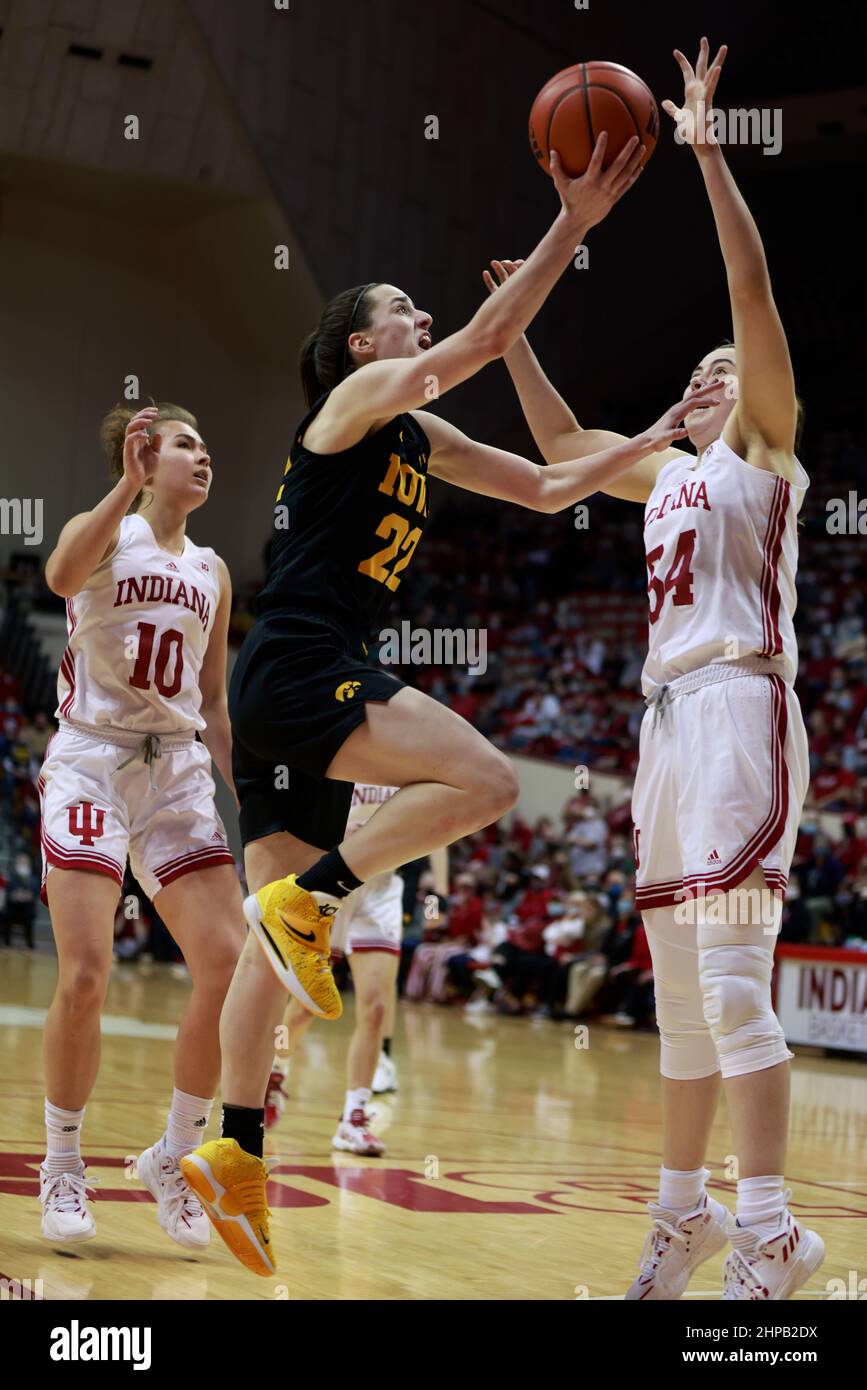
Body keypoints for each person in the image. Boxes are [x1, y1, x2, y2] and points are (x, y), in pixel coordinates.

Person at [180, 132, 722, 1277]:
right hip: (302, 661)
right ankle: (323, 897)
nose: (422, 320)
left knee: (265, 960)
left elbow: (540, 486)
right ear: (359, 342)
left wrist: (661, 437)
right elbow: (483, 338)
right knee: (478, 781)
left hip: (282, 684)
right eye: (403, 309)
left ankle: (231, 1149)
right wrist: (571, 224)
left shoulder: (420, 434)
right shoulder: (358, 400)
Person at [490, 38, 825, 1301]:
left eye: (719, 371)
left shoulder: (767, 457)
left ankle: (776, 1230)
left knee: (737, 986)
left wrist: (705, 151)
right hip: (666, 733)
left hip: (742, 708)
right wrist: (514, 338)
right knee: (680, 1000)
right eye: (693, 374)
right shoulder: (667, 473)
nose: (705, 376)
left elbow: (749, 286)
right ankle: (683, 1217)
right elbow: (567, 446)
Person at [38, 403, 245, 1250]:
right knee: (87, 973)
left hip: (176, 767)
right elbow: (56, 577)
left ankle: (175, 1154)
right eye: (187, 445)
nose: (203, 458)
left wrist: (250, 802)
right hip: (91, 756)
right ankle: (61, 1166)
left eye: (206, 445)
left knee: (227, 965)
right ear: (145, 456)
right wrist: (121, 485)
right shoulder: (107, 534)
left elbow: (217, 699)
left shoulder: (213, 568)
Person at [264, 784, 449, 1154]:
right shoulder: (348, 742)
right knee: (306, 1005)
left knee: (377, 1008)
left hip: (382, 887)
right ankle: (275, 1068)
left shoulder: (414, 754)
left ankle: (354, 1118)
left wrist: (438, 893)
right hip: (334, 878)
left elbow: (440, 825)